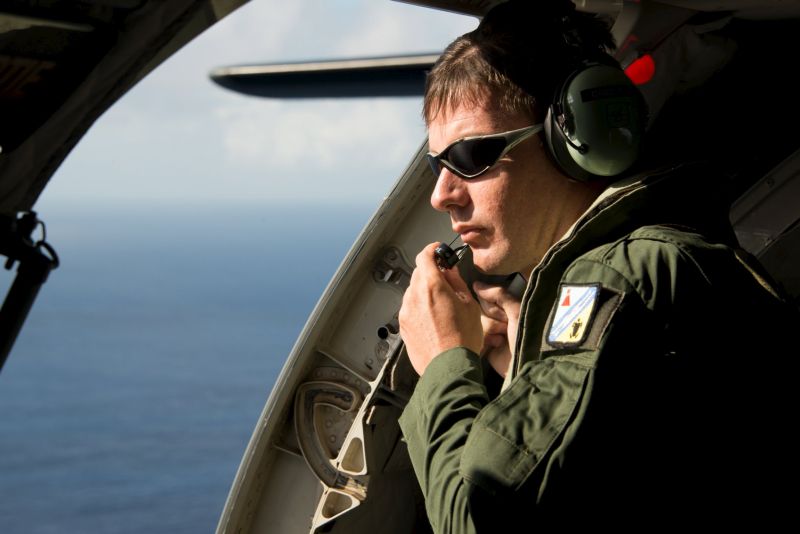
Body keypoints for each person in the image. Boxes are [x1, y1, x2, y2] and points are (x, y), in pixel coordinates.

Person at [397, 1, 797, 532]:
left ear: (576, 136)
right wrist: (535, 365)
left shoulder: (620, 279)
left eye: (470, 159)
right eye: (435, 165)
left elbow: (477, 517)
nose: (441, 195)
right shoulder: (656, 262)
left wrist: (445, 362)